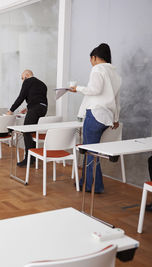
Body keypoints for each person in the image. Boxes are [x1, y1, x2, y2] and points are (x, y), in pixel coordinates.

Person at [69, 43, 121, 193]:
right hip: (108, 117)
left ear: (94, 57)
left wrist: (76, 88)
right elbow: (117, 99)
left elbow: (94, 90)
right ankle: (87, 182)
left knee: (90, 151)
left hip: (95, 114)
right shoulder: (115, 74)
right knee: (94, 151)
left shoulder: (97, 69)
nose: (91, 63)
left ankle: (92, 185)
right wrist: (116, 118)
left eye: (91, 60)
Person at [6, 70, 48, 167]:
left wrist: (11, 110)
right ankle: (33, 156)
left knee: (26, 131)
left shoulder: (28, 81)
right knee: (32, 132)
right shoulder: (42, 84)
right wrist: (28, 108)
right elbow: (39, 99)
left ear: (27, 75)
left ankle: (28, 158)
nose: (22, 80)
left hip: (35, 110)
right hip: (43, 109)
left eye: (22, 78)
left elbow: (21, 97)